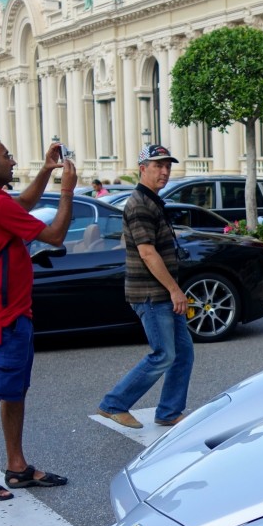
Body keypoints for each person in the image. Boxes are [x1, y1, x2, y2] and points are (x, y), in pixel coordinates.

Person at [0, 137, 77, 501]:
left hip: (6, 312)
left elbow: (24, 203)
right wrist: (67, 191)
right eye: (6, 156)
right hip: (3, 315)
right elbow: (55, 236)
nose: (12, 161)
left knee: (13, 391)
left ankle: (17, 466)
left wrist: (45, 170)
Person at [97, 145, 194, 430]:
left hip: (163, 293)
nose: (164, 171)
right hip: (152, 295)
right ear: (143, 169)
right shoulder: (140, 204)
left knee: (183, 353)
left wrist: (174, 290)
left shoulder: (151, 201)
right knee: (163, 354)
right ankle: (113, 404)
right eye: (157, 166)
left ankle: (168, 411)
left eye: (167, 166)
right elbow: (147, 253)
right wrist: (175, 290)